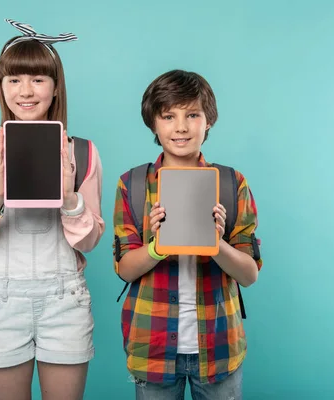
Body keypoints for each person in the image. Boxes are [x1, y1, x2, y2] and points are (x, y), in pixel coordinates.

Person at [0, 19, 105, 400]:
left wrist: (70, 199)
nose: (26, 91)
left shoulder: (83, 153)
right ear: (1, 87)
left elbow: (89, 242)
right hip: (0, 301)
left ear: (55, 88)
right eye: (14, 80)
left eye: (38, 79)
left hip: (64, 299)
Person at [112, 69, 263, 400]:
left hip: (219, 348)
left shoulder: (231, 183)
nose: (180, 127)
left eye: (192, 114)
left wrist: (216, 244)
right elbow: (124, 269)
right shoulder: (133, 185)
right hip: (150, 347)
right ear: (154, 123)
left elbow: (249, 274)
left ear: (207, 121)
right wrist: (156, 245)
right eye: (168, 116)